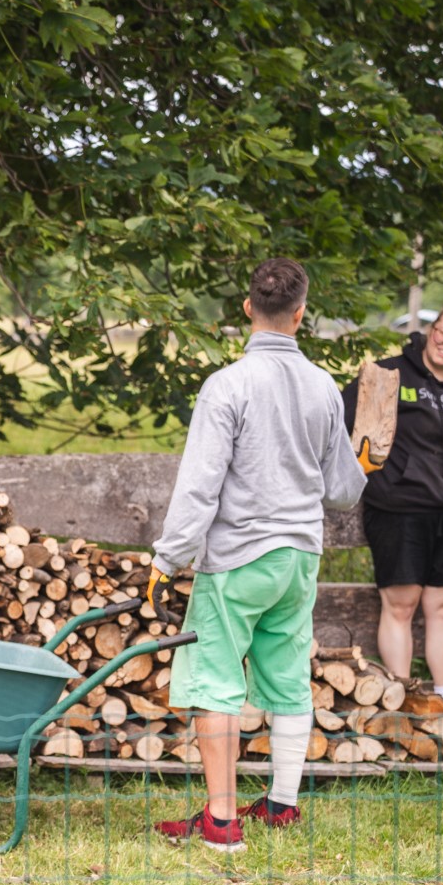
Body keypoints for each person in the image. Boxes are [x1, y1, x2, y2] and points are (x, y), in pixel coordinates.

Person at [146, 258, 370, 851]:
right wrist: (364, 462)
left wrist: (168, 559)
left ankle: (222, 821)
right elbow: (343, 491)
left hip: (240, 556)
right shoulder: (324, 387)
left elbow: (200, 485)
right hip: (298, 559)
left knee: (214, 679)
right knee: (288, 674)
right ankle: (281, 805)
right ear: (301, 314)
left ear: (248, 308)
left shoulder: (228, 385)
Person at [343, 301, 443, 708]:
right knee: (401, 606)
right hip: (399, 509)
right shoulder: (387, 375)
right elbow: (338, 426)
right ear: (431, 328)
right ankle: (403, 701)